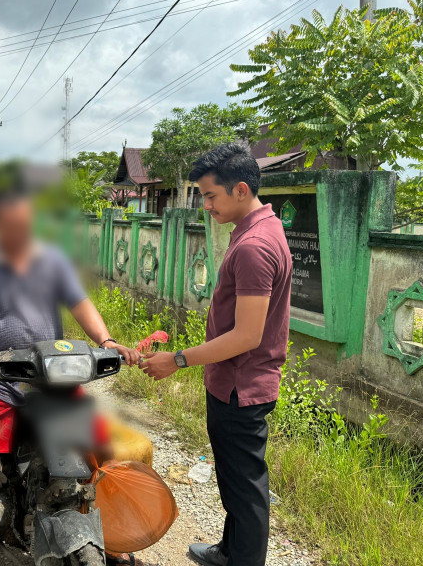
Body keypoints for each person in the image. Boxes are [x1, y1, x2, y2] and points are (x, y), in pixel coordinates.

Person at [0, 189, 142, 566]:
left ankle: (106, 532)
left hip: (52, 377)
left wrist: (106, 340)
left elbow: (79, 303)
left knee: (104, 451)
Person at [140, 143, 292, 566]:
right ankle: (230, 550)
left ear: (240, 189)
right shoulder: (261, 228)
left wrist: (178, 359)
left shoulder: (253, 246)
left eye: (210, 196)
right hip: (236, 382)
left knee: (245, 489)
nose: (204, 205)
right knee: (234, 480)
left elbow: (246, 335)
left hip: (240, 388)